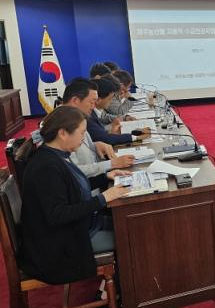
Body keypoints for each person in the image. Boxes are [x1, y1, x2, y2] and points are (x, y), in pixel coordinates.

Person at [16, 106, 130, 284]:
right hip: (59, 246)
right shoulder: (46, 167)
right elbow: (58, 214)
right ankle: (121, 290)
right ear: (62, 133)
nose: (84, 138)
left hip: (78, 227)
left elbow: (71, 188)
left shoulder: (55, 155)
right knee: (129, 233)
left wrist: (105, 177)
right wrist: (103, 198)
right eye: (81, 133)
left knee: (127, 222)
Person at [60, 78, 135, 177]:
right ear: (75, 101)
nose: (93, 107)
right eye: (91, 102)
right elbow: (73, 171)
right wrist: (112, 164)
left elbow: (84, 150)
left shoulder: (78, 118)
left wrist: (95, 145)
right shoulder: (60, 128)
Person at [87, 77, 151, 145]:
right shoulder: (88, 116)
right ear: (98, 100)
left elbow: (103, 119)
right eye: (110, 99)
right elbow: (105, 138)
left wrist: (111, 131)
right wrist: (136, 137)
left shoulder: (94, 111)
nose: (111, 102)